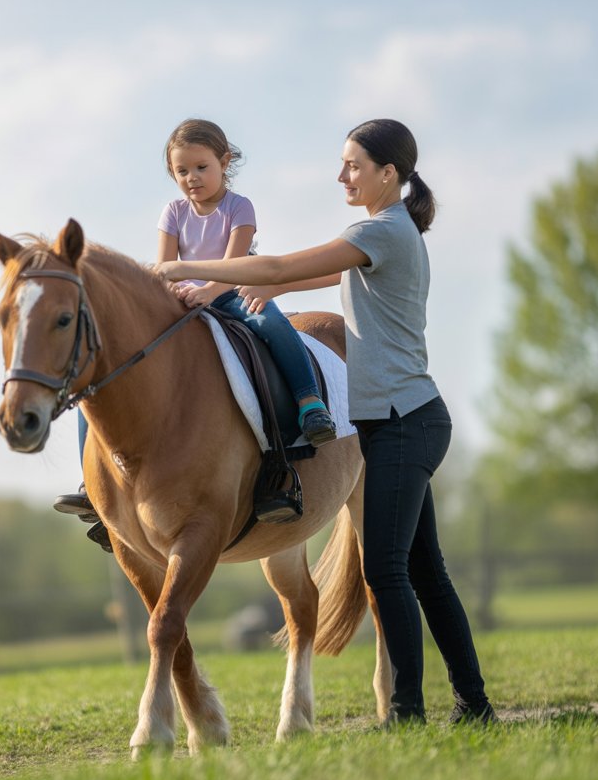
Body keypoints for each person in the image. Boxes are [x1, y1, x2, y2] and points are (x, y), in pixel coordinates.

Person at [155, 119, 496, 726]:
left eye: (353, 165)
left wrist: (184, 273)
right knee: (427, 573)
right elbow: (306, 275)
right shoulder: (389, 233)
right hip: (404, 417)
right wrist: (258, 277)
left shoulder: (380, 228)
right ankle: (473, 704)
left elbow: (282, 267)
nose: (342, 175)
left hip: (401, 420)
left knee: (388, 571)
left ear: (388, 174)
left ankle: (407, 713)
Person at [54, 119, 337, 530]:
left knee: (271, 322)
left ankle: (309, 401)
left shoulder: (239, 208)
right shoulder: (172, 212)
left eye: (201, 167)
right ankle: (92, 482)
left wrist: (208, 290)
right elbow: (165, 268)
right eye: (182, 171)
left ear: (224, 162)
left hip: (233, 290)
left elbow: (236, 265)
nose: (192, 178)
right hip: (183, 301)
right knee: (106, 370)